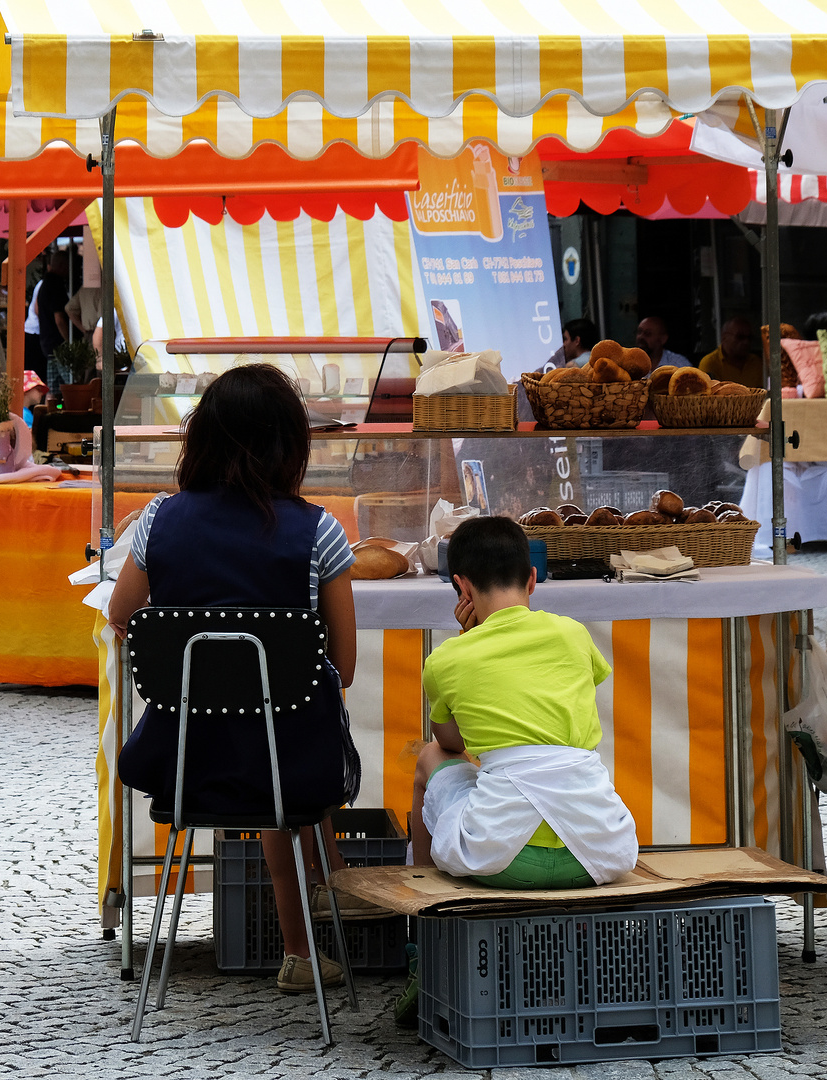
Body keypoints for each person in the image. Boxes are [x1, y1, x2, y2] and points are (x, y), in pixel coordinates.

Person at [107, 364, 372, 993]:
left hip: (184, 764)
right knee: (285, 744)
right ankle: (315, 943)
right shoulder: (321, 533)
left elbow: (122, 619)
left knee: (264, 741)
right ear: (291, 445)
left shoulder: (157, 523)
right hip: (296, 768)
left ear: (201, 440)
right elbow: (346, 666)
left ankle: (305, 947)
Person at [410, 515, 637, 886]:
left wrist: (472, 639)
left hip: (499, 858)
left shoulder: (446, 661)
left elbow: (453, 745)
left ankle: (417, 896)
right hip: (598, 851)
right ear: (533, 578)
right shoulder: (573, 635)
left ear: (461, 587)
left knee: (429, 755)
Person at [698, 316, 764, 387]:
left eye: (749, 338)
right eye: (740, 337)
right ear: (724, 337)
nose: (746, 342)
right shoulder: (710, 363)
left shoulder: (757, 362)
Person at [35, 251, 70, 366]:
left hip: (46, 341)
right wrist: (69, 341)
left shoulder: (44, 284)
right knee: (68, 381)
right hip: (58, 343)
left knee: (54, 382)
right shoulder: (56, 285)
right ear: (61, 266)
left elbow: (37, 310)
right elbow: (59, 319)